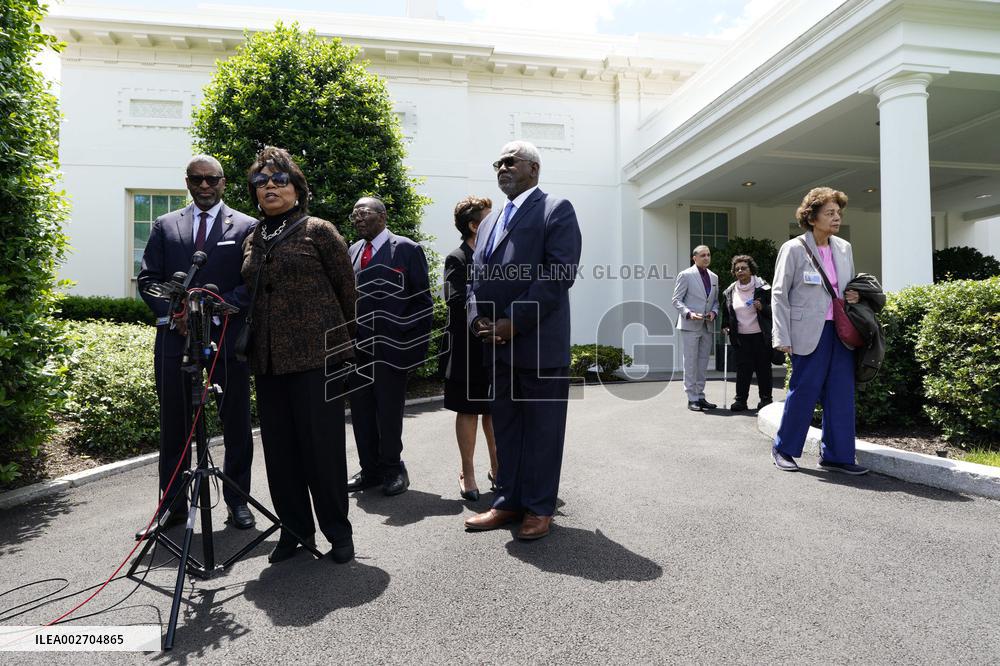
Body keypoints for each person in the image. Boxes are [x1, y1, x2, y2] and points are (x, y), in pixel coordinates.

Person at [241, 146, 358, 563]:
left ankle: (338, 534)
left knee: (322, 451)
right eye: (261, 181)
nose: (270, 186)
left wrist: (345, 351)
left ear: (297, 187)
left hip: (316, 361)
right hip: (268, 363)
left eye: (279, 179)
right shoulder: (253, 236)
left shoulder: (319, 230)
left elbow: (348, 292)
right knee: (280, 453)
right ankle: (294, 530)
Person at [464, 140, 582, 541]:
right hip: (498, 348)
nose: (502, 168)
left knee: (543, 432)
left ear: (533, 168)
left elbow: (558, 275)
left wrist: (512, 322)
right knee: (508, 429)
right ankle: (508, 502)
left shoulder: (556, 209)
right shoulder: (492, 221)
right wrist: (476, 317)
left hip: (538, 346)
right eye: (497, 162)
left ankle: (538, 507)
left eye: (510, 161)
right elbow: (475, 278)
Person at [135, 154, 256, 540]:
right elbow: (147, 279)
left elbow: (252, 283)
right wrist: (175, 311)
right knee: (174, 422)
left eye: (212, 179)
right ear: (187, 182)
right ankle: (171, 505)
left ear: (224, 182)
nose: (205, 186)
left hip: (225, 337)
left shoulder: (247, 226)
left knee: (235, 419)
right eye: (197, 179)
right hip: (175, 337)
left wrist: (216, 306)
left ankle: (238, 500)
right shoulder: (165, 225)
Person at [771, 186, 867, 475]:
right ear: (812, 217)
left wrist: (855, 296)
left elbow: (845, 287)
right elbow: (779, 293)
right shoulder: (794, 248)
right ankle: (784, 449)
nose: (836, 218)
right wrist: (781, 336)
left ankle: (837, 456)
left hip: (839, 330)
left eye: (838, 212)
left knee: (841, 393)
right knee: (803, 391)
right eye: (829, 213)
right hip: (807, 332)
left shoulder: (844, 248)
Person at [346, 196, 433, 496]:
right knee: (361, 412)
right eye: (354, 214)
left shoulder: (406, 249)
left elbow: (423, 303)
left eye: (363, 212)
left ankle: (394, 469)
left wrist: (408, 343)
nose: (357, 218)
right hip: (359, 349)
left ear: (382, 216)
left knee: (388, 412)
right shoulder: (353, 250)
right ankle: (369, 470)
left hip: (392, 350)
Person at [443, 196, 498, 502]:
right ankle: (468, 472)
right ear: (474, 225)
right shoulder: (457, 258)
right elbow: (454, 299)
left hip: (497, 345)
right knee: (468, 410)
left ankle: (498, 468)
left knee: (494, 411)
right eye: (489, 219)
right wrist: (482, 322)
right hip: (467, 349)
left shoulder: (500, 257)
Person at [720, 254, 774, 412]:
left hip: (760, 335)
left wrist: (762, 307)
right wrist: (725, 326)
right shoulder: (730, 291)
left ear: (751, 270)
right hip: (740, 337)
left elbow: (775, 310)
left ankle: (766, 400)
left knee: (763, 369)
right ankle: (740, 401)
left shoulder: (763, 288)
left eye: (744, 268)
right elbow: (727, 312)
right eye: (737, 269)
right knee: (743, 370)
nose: (740, 271)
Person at [672, 245, 720, 412]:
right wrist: (689, 313)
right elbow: (676, 300)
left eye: (708, 255)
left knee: (703, 362)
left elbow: (715, 301)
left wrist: (714, 312)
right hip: (690, 324)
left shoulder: (714, 277)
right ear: (695, 258)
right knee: (691, 362)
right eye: (702, 255)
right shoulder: (685, 275)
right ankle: (691, 398)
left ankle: (700, 395)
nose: (706, 258)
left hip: (707, 325)